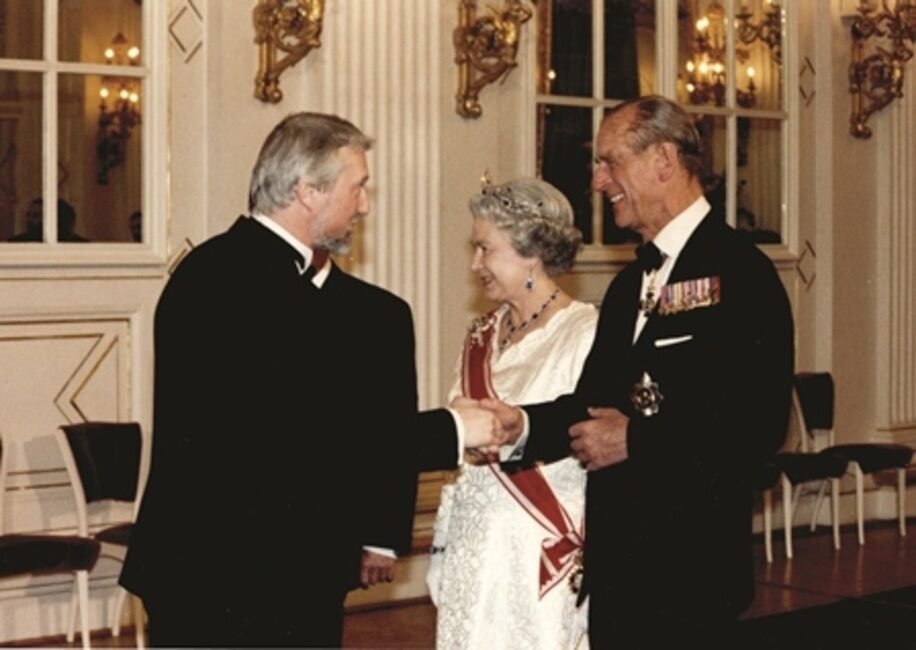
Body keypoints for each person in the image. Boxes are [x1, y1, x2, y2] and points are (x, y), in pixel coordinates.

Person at [119, 112, 500, 648]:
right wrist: (453, 430)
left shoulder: (245, 271)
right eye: (357, 187)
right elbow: (309, 434)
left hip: (274, 568)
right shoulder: (228, 281)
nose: (364, 205)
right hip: (227, 578)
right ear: (307, 190)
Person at [483, 95, 795, 648]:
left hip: (691, 573)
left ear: (664, 160)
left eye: (610, 162)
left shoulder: (743, 273)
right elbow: (592, 407)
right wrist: (520, 424)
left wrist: (638, 441)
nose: (598, 181)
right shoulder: (630, 285)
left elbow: (759, 426)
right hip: (619, 573)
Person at [427, 177, 597, 649]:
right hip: (474, 548)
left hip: (539, 555)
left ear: (531, 251)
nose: (474, 263)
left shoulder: (584, 333)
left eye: (485, 248)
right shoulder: (480, 335)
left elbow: (585, 440)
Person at [8, 198, 88, 242]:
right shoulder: (17, 244)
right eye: (28, 215)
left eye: (36, 216)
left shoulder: (79, 246)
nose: (29, 220)